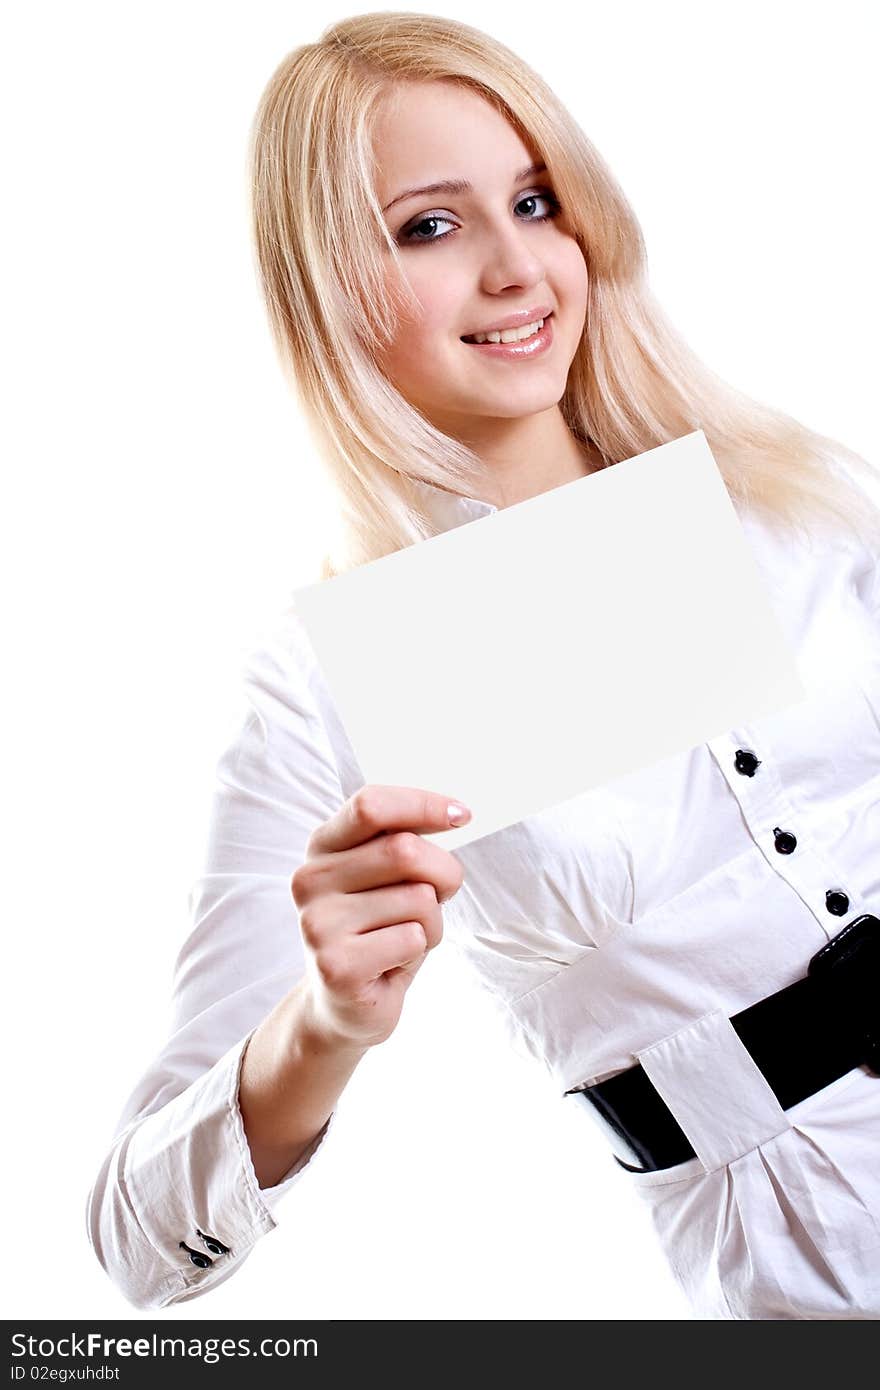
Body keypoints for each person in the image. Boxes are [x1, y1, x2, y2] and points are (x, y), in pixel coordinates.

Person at [85, 12, 880, 1319]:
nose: (517, 266)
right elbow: (139, 1244)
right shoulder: (332, 678)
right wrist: (323, 1027)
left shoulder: (793, 498)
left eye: (535, 200)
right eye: (430, 227)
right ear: (325, 283)